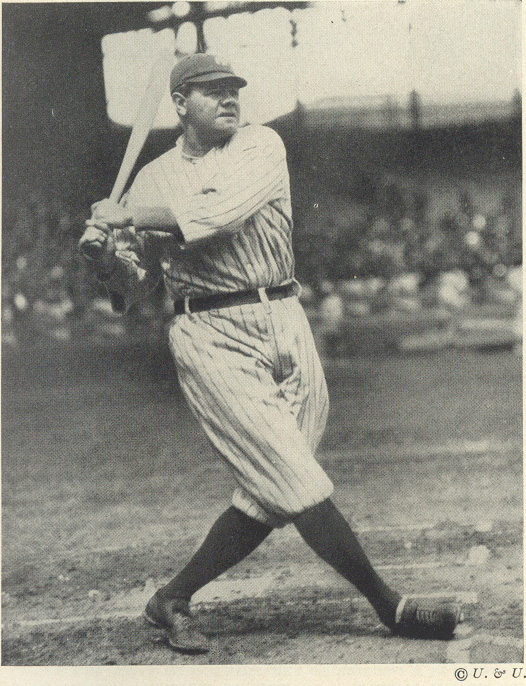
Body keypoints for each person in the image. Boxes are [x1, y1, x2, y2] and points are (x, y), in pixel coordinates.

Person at [79, 53, 462, 654]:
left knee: (275, 484)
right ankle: (389, 606)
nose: (229, 98)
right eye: (212, 91)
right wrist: (104, 256)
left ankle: (172, 597)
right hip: (209, 334)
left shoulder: (261, 146)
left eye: (233, 89)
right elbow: (130, 290)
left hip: (286, 316)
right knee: (294, 478)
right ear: (180, 105)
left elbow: (220, 215)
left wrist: (123, 214)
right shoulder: (150, 178)